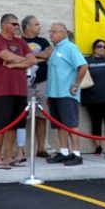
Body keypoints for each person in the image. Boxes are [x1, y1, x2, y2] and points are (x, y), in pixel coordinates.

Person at [0, 14, 37, 169]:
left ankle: (8, 157)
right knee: (1, 125)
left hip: (20, 90)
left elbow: (33, 60)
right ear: (4, 25)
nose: (17, 27)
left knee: (14, 126)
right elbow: (7, 56)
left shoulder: (20, 41)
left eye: (18, 24)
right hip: (3, 90)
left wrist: (15, 64)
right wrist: (22, 60)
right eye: (14, 24)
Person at [43, 23, 88, 166]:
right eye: (50, 32)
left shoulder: (70, 47)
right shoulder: (56, 49)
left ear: (63, 33)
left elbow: (83, 66)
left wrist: (76, 85)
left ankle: (76, 155)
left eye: (54, 32)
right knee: (59, 125)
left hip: (66, 94)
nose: (51, 34)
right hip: (54, 94)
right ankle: (63, 153)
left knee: (71, 125)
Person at [21, 15, 53, 157]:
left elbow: (49, 54)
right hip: (25, 83)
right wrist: (38, 57)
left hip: (42, 83)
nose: (39, 26)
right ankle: (20, 150)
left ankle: (41, 148)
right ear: (28, 26)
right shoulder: (19, 41)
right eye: (36, 24)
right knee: (21, 117)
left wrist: (31, 57)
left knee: (42, 116)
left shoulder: (43, 41)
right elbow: (20, 57)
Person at [81, 39, 105, 156]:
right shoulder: (87, 60)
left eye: (104, 47)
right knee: (96, 123)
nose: (102, 49)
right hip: (92, 98)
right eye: (99, 46)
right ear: (94, 48)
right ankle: (98, 147)